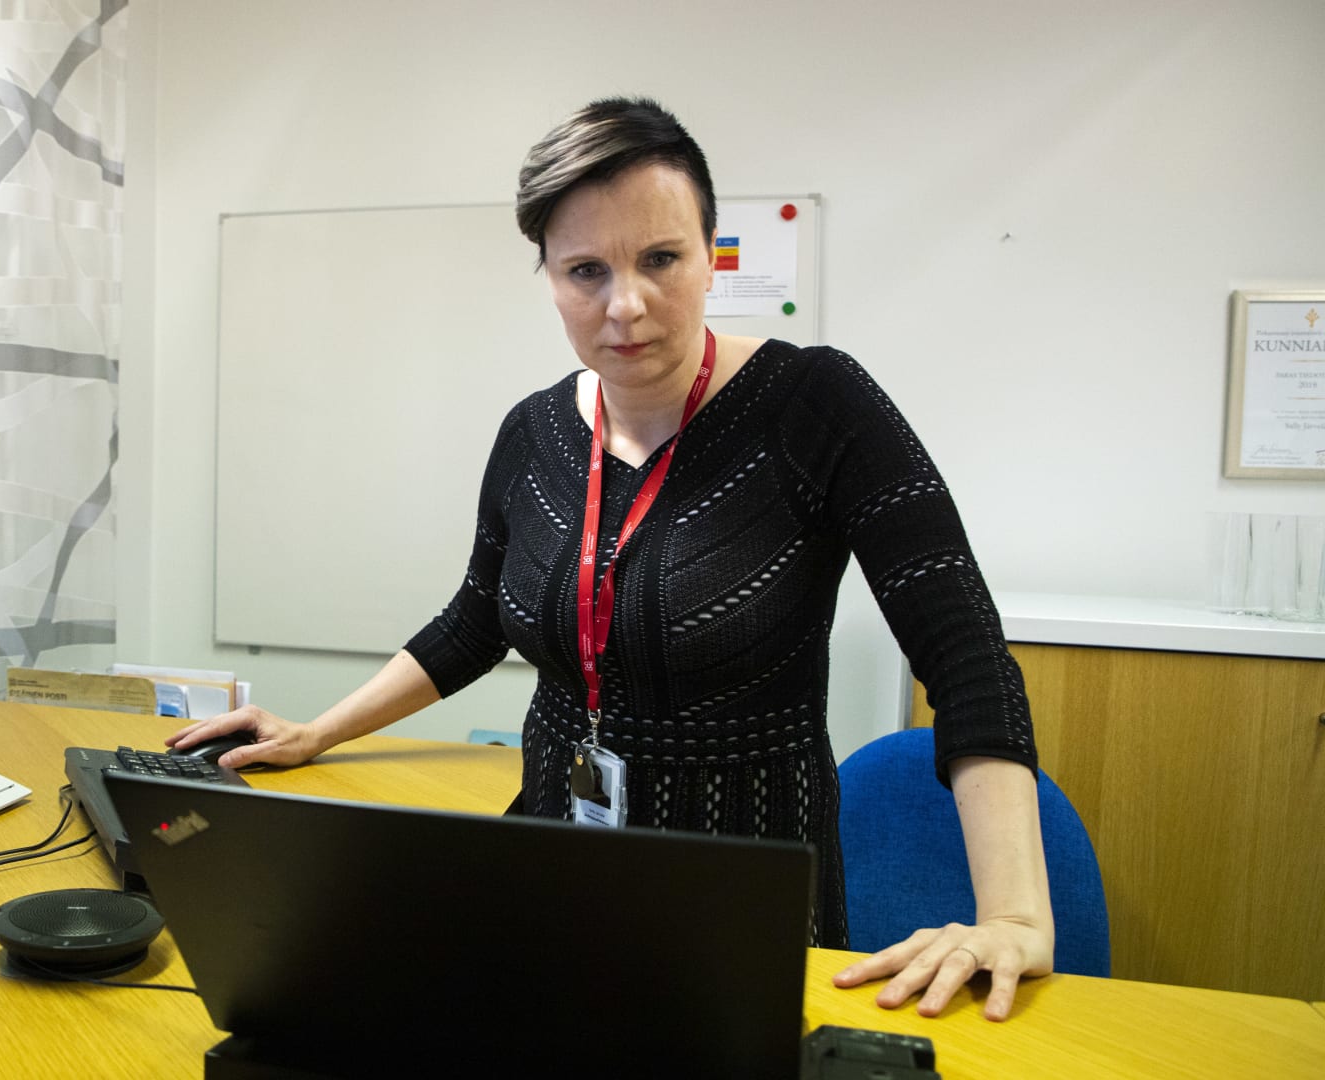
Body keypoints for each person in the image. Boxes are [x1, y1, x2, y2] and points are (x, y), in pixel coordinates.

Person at [170, 97, 1053, 1021]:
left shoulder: (816, 403)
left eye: (660, 258)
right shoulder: (533, 432)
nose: (624, 305)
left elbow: (964, 652)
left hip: (743, 877)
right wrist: (317, 732)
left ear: (711, 255)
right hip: (557, 850)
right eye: (585, 270)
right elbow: (475, 620)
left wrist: (1015, 917)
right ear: (549, 277)